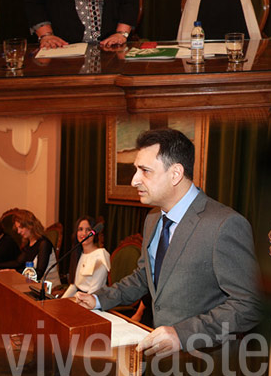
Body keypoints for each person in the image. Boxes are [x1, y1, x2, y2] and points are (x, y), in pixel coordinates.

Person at [75, 127, 261, 358]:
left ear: (175, 174)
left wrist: (182, 334)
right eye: (136, 170)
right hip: (162, 358)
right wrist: (99, 298)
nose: (134, 180)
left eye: (145, 171)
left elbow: (249, 305)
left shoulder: (225, 224)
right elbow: (146, 276)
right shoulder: (153, 218)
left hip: (207, 362)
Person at [0, 209, 57, 281]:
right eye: (17, 228)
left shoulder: (44, 244)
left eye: (21, 227)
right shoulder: (29, 244)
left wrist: (14, 272)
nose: (18, 232)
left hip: (48, 286)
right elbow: (17, 263)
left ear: (30, 225)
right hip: (31, 283)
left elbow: (39, 273)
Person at [61, 214, 111, 298]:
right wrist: (61, 302)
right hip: (79, 300)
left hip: (93, 302)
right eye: (80, 229)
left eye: (88, 230)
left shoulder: (100, 255)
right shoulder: (78, 254)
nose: (84, 233)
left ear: (94, 233)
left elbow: (94, 290)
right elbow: (74, 286)